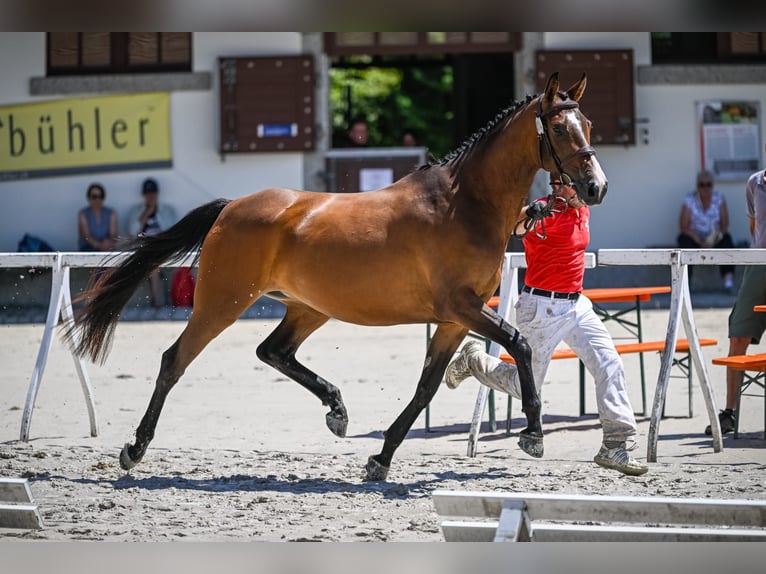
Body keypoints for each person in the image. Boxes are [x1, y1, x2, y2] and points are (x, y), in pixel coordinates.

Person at [444, 176, 648, 476]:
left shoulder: (583, 211)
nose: (557, 189)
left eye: (562, 184)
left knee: (610, 363)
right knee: (522, 385)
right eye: (554, 184)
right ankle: (474, 360)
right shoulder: (545, 209)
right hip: (542, 308)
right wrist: (529, 215)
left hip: (577, 305)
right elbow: (514, 226)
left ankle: (615, 445)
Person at [705, 149, 766, 436]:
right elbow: (755, 226)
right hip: (759, 264)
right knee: (738, 332)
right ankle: (730, 412)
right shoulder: (756, 182)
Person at [677, 170, 735, 291]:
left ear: (712, 185)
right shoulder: (690, 200)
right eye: (701, 185)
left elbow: (725, 225)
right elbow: (683, 226)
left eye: (708, 184)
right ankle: (685, 284)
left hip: (714, 237)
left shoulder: (719, 199)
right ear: (697, 185)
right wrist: (697, 239)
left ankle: (728, 281)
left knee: (727, 240)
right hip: (695, 238)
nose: (705, 188)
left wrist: (714, 239)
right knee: (683, 241)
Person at [126, 178, 178, 307]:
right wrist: (146, 213)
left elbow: (172, 232)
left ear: (157, 193)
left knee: (153, 265)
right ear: (144, 195)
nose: (151, 196)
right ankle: (157, 303)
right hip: (143, 249)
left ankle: (158, 303)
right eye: (148, 193)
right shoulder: (136, 211)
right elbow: (132, 232)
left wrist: (156, 213)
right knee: (153, 266)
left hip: (162, 248)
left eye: (153, 193)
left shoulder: (166, 210)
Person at [78, 182, 118, 251]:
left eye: (101, 196)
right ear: (88, 198)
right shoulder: (83, 214)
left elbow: (113, 235)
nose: (97, 199)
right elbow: (86, 236)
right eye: (94, 197)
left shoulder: (111, 213)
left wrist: (108, 243)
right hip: (88, 249)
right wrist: (99, 245)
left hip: (107, 248)